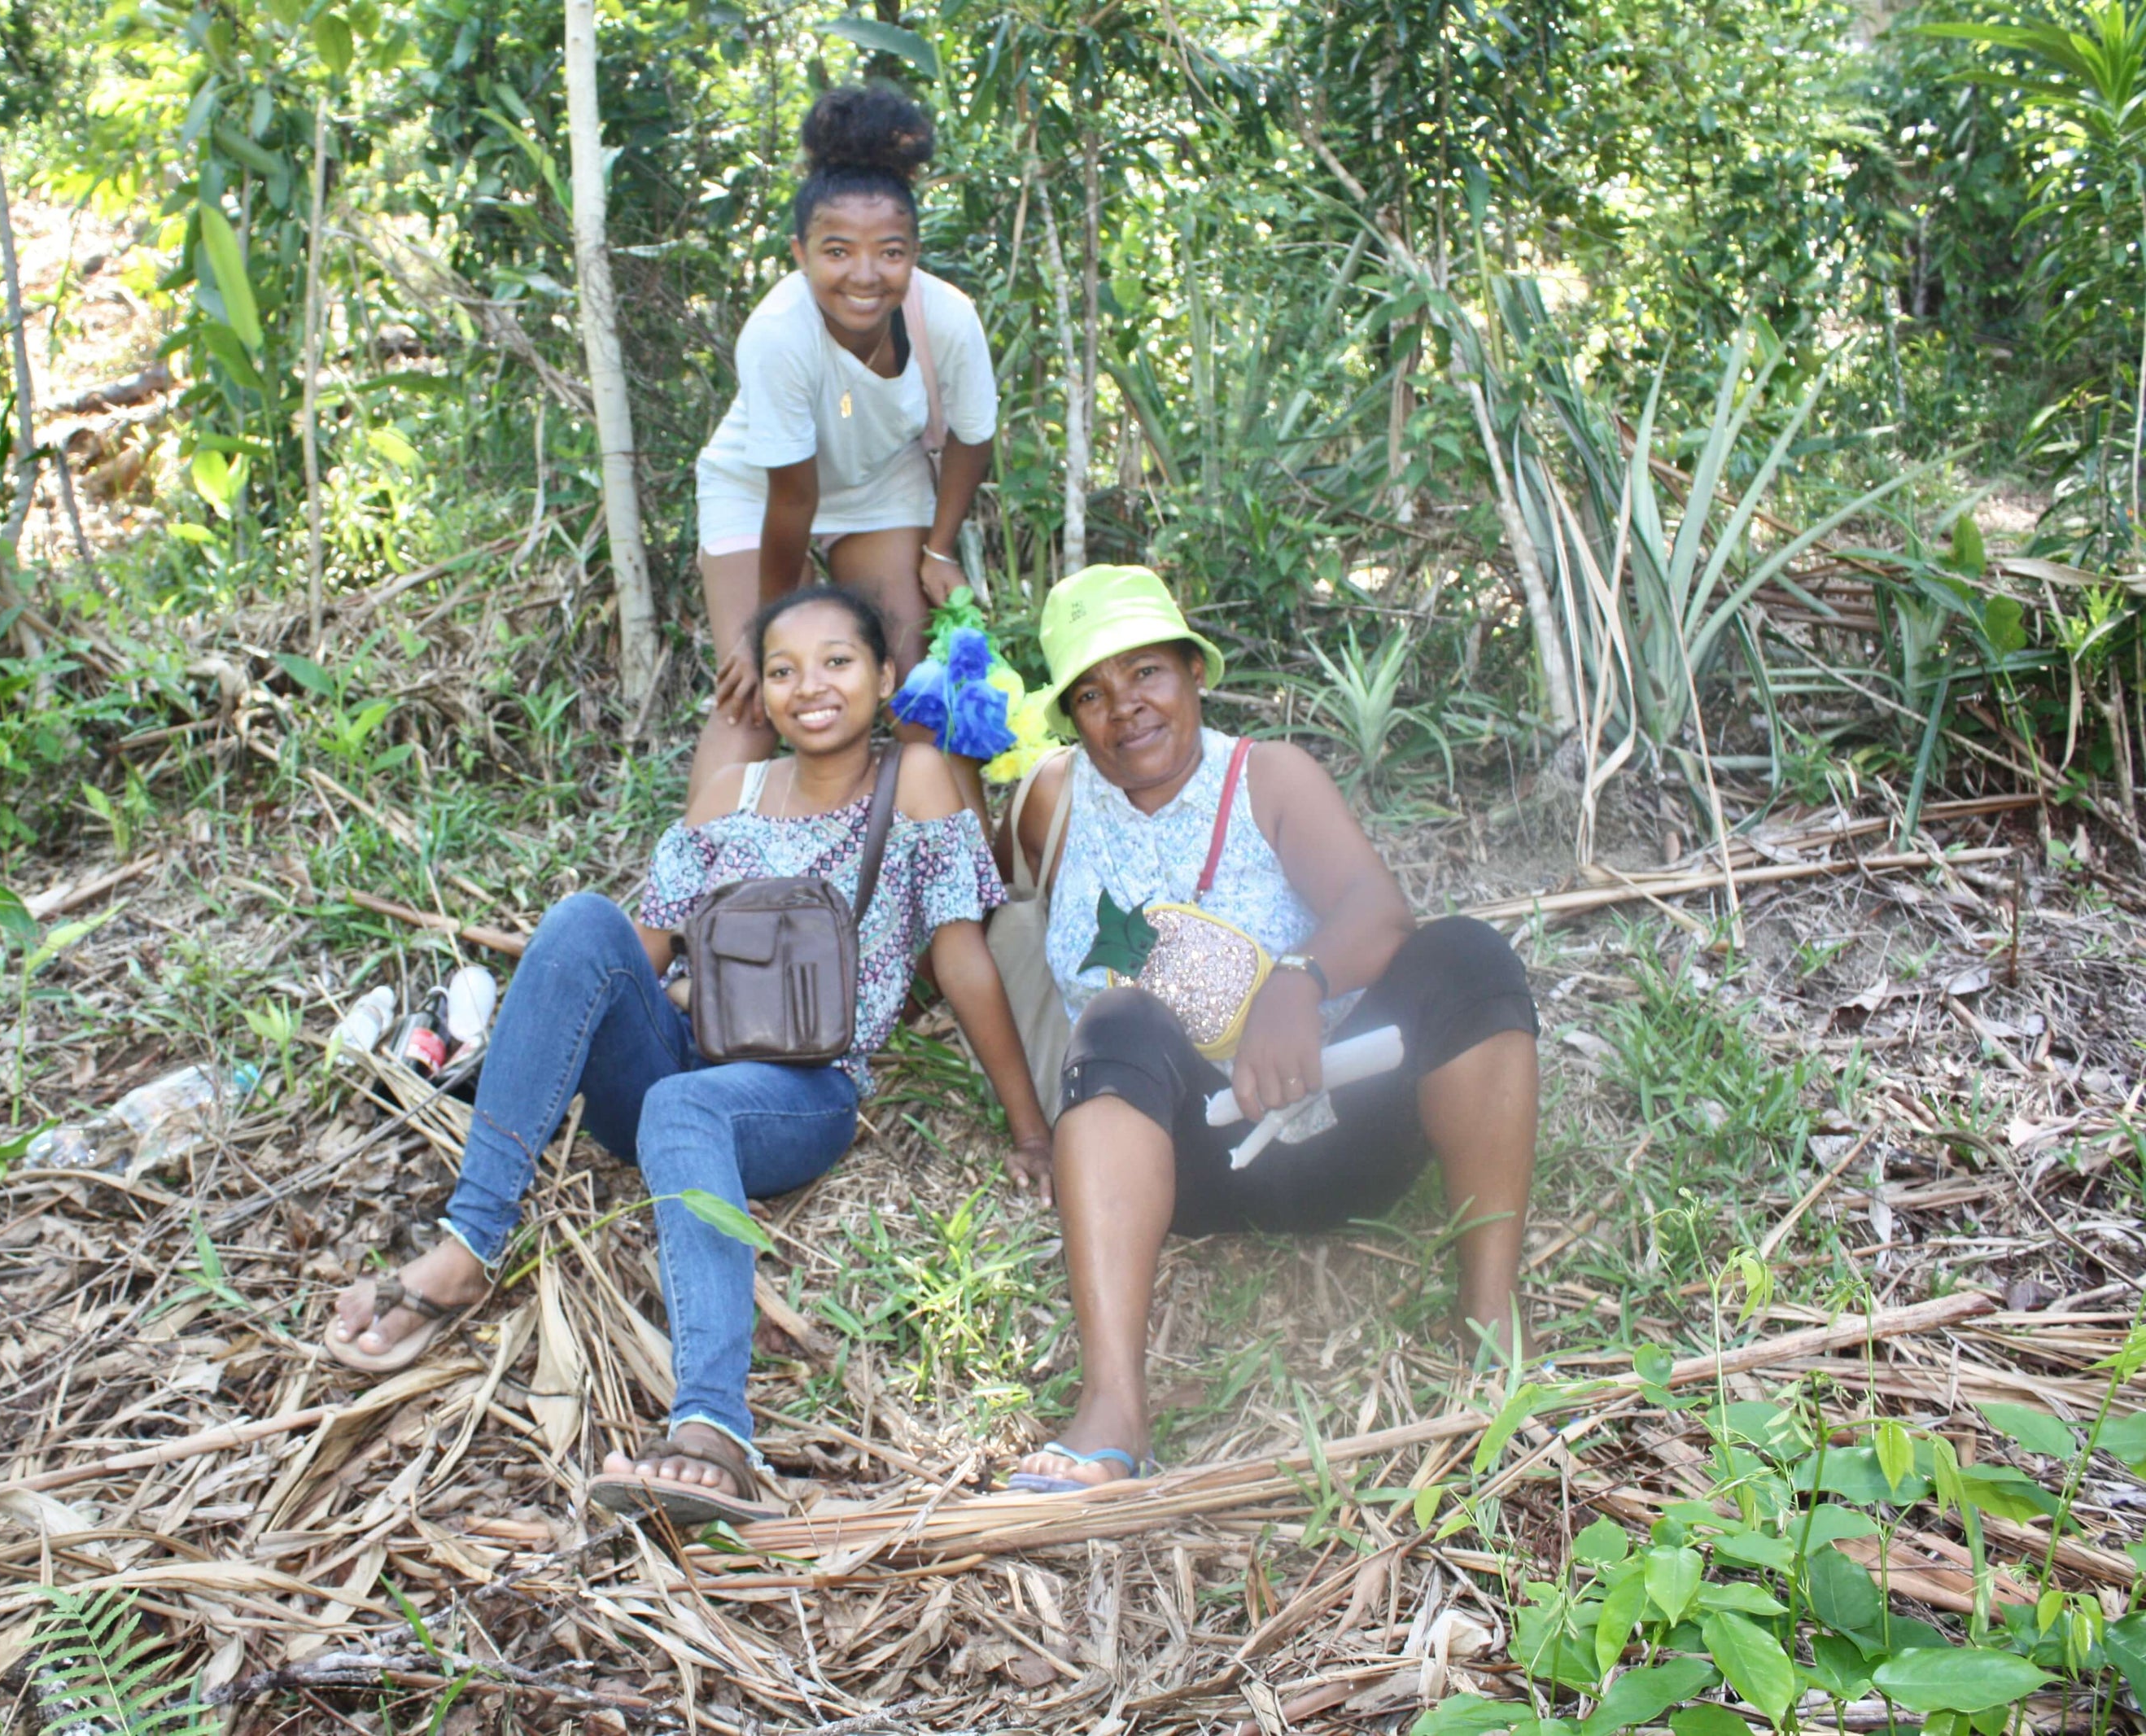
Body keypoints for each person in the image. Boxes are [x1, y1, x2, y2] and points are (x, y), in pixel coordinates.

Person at [324, 586, 1052, 1525]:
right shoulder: (727, 795)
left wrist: (1027, 1128)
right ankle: (469, 1243)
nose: (811, 687)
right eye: (783, 671)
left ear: (882, 675)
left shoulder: (911, 780)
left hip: (799, 1090)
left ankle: (713, 1426)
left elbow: (960, 957)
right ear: (764, 695)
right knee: (581, 922)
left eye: (838, 662)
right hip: (676, 1057)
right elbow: (633, 956)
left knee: (686, 1107)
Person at [995, 566, 1541, 1494]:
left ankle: (1489, 1327)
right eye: (1090, 692)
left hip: (1339, 1121)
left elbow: (1375, 909)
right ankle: (1112, 1412)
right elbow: (961, 887)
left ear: (1191, 672)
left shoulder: (1268, 777)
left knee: (1469, 959)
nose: (1123, 708)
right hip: (1181, 1161)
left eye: (1145, 674)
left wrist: (1298, 980)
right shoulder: (1050, 801)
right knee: (1117, 1016)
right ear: (1069, 717)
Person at [691, 83, 999, 810]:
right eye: (837, 251)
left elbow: (971, 439)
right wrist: (767, 637)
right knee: (759, 694)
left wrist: (939, 550)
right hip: (757, 492)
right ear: (800, 253)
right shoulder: (777, 333)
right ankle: (693, 896)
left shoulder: (949, 318)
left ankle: (975, 891)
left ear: (915, 253)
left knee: (918, 688)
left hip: (881, 487)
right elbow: (792, 499)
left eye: (889, 252)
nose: (864, 275)